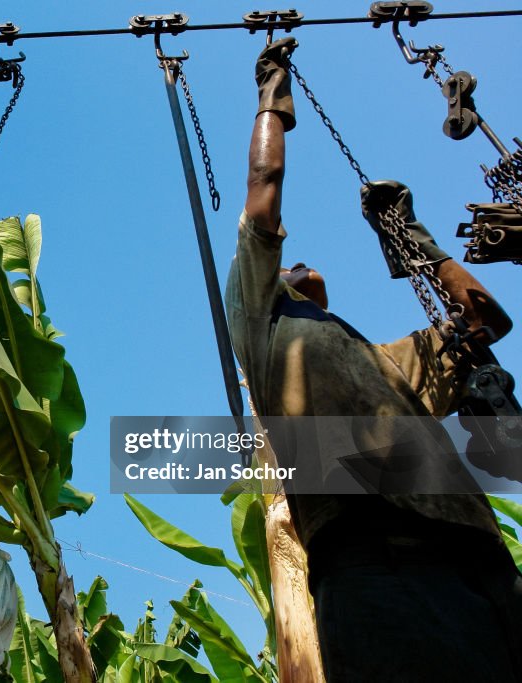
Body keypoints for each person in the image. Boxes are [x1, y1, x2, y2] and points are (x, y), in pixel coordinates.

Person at [226, 38, 522, 681]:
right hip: (369, 562)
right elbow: (263, 190)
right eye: (287, 264)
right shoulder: (262, 327)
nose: (298, 262)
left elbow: (485, 322)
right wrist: (272, 95)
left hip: (481, 557)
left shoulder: (385, 360)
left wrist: (414, 238)